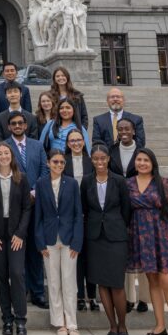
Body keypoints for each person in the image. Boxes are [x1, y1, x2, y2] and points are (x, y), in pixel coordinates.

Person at [127, 148, 168, 335]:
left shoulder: (163, 182)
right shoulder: (128, 184)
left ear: (153, 163)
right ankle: (160, 325)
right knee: (153, 281)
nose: (142, 163)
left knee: (167, 281)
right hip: (142, 236)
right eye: (139, 160)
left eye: (146, 160)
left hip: (162, 236)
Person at [0, 142, 32, 335]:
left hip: (16, 234)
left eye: (6, 153)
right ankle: (7, 319)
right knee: (1, 276)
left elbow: (27, 207)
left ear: (11, 155)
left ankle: (20, 320)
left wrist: (20, 233)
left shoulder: (22, 178)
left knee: (17, 274)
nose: (3, 156)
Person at [81, 144, 132, 335]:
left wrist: (117, 226)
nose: (100, 162)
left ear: (109, 159)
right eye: (96, 159)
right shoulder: (86, 182)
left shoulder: (119, 181)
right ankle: (112, 326)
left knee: (117, 284)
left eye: (103, 158)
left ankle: (123, 326)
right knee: (102, 283)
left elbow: (126, 209)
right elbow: (85, 208)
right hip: (95, 237)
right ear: (91, 160)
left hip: (116, 237)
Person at [34, 149, 84, 335]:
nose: (59, 165)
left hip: (69, 239)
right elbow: (38, 214)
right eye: (55, 162)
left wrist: (77, 242)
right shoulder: (41, 184)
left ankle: (72, 322)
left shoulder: (71, 184)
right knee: (54, 282)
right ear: (48, 163)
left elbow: (78, 214)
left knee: (69, 282)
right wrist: (40, 243)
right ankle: (59, 322)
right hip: (49, 240)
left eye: (62, 162)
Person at [4, 111, 49, 309]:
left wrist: (34, 191)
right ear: (8, 127)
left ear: (26, 125)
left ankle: (38, 292)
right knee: (17, 252)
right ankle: (20, 291)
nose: (17, 126)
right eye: (13, 123)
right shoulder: (4, 146)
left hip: (35, 204)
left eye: (20, 122)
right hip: (14, 207)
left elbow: (44, 171)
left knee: (35, 250)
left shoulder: (37, 145)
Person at [109, 118, 149, 314]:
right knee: (125, 254)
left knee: (141, 254)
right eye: (120, 129)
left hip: (139, 208)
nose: (124, 131)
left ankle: (143, 297)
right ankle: (129, 297)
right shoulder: (111, 150)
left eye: (127, 129)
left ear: (134, 131)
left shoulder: (142, 152)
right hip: (118, 207)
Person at [63, 129, 98, 312]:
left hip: (89, 213)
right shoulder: (64, 161)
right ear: (68, 144)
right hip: (70, 214)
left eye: (79, 140)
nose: (76, 143)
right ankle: (78, 296)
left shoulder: (91, 161)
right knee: (75, 257)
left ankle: (91, 295)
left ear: (84, 142)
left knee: (90, 257)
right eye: (72, 141)